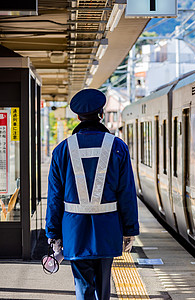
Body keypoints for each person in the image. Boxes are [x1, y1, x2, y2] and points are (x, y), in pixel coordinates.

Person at [45, 89, 139, 300]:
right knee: (103, 287)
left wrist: (53, 233)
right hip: (108, 230)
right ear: (101, 114)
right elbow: (127, 193)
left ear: (78, 117)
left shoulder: (61, 151)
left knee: (83, 286)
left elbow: (54, 197)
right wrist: (129, 230)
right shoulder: (117, 147)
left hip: (74, 231)